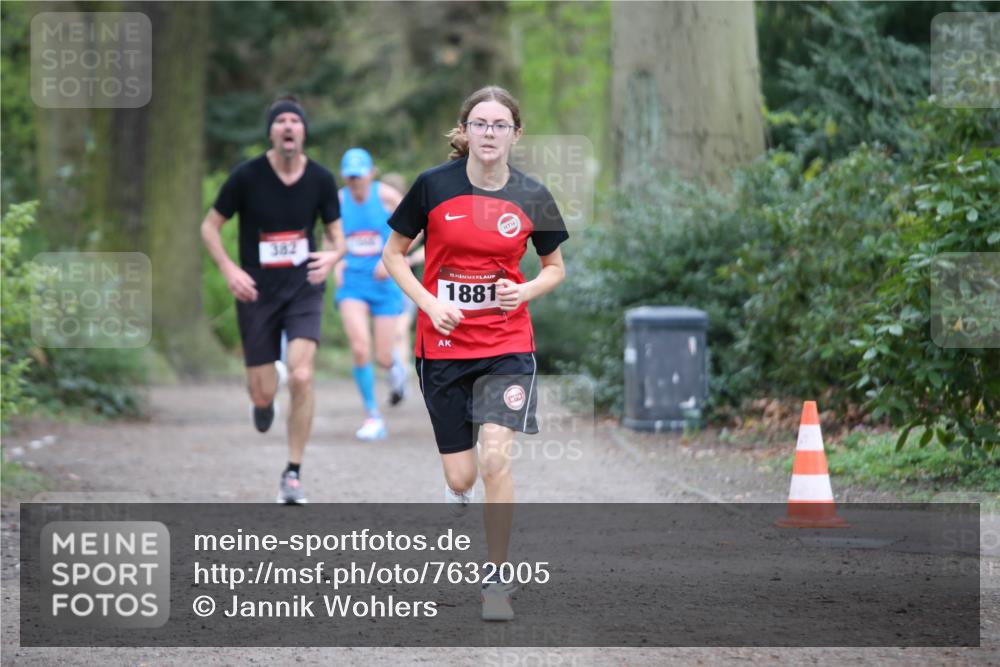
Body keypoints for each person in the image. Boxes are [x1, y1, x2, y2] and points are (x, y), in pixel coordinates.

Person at [382, 85, 568, 620]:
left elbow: (555, 268)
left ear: (516, 133)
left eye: (500, 125)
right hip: (442, 345)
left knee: (495, 459)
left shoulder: (532, 195)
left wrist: (525, 289)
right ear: (464, 132)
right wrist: (426, 302)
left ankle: (497, 580)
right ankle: (457, 490)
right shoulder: (432, 186)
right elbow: (395, 255)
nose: (490, 133)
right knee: (461, 478)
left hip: (507, 344)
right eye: (480, 124)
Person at [201, 95, 344, 504]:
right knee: (262, 392)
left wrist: (333, 257)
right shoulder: (247, 176)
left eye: (294, 121)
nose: (287, 127)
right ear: (271, 132)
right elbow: (209, 228)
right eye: (279, 120)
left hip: (303, 288)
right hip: (257, 292)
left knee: (302, 375)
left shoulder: (319, 179)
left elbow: (339, 238)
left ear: (302, 132)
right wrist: (230, 270)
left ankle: (293, 473)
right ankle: (262, 403)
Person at [333, 149, 412, 440]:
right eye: (350, 177)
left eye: (360, 176)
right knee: (359, 348)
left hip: (383, 282)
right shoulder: (339, 201)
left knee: (382, 356)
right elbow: (332, 234)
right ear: (345, 176)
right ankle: (372, 416)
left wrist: (391, 257)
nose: (356, 182)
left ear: (371, 173)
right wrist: (336, 260)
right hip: (352, 282)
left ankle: (395, 370)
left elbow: (417, 224)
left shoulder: (386, 195)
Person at [380, 172, 425, 390]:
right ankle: (396, 368)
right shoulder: (379, 219)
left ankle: (402, 373)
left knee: (401, 331)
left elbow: (429, 245)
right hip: (381, 284)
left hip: (406, 284)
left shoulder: (412, 220)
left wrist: (410, 258)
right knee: (390, 335)